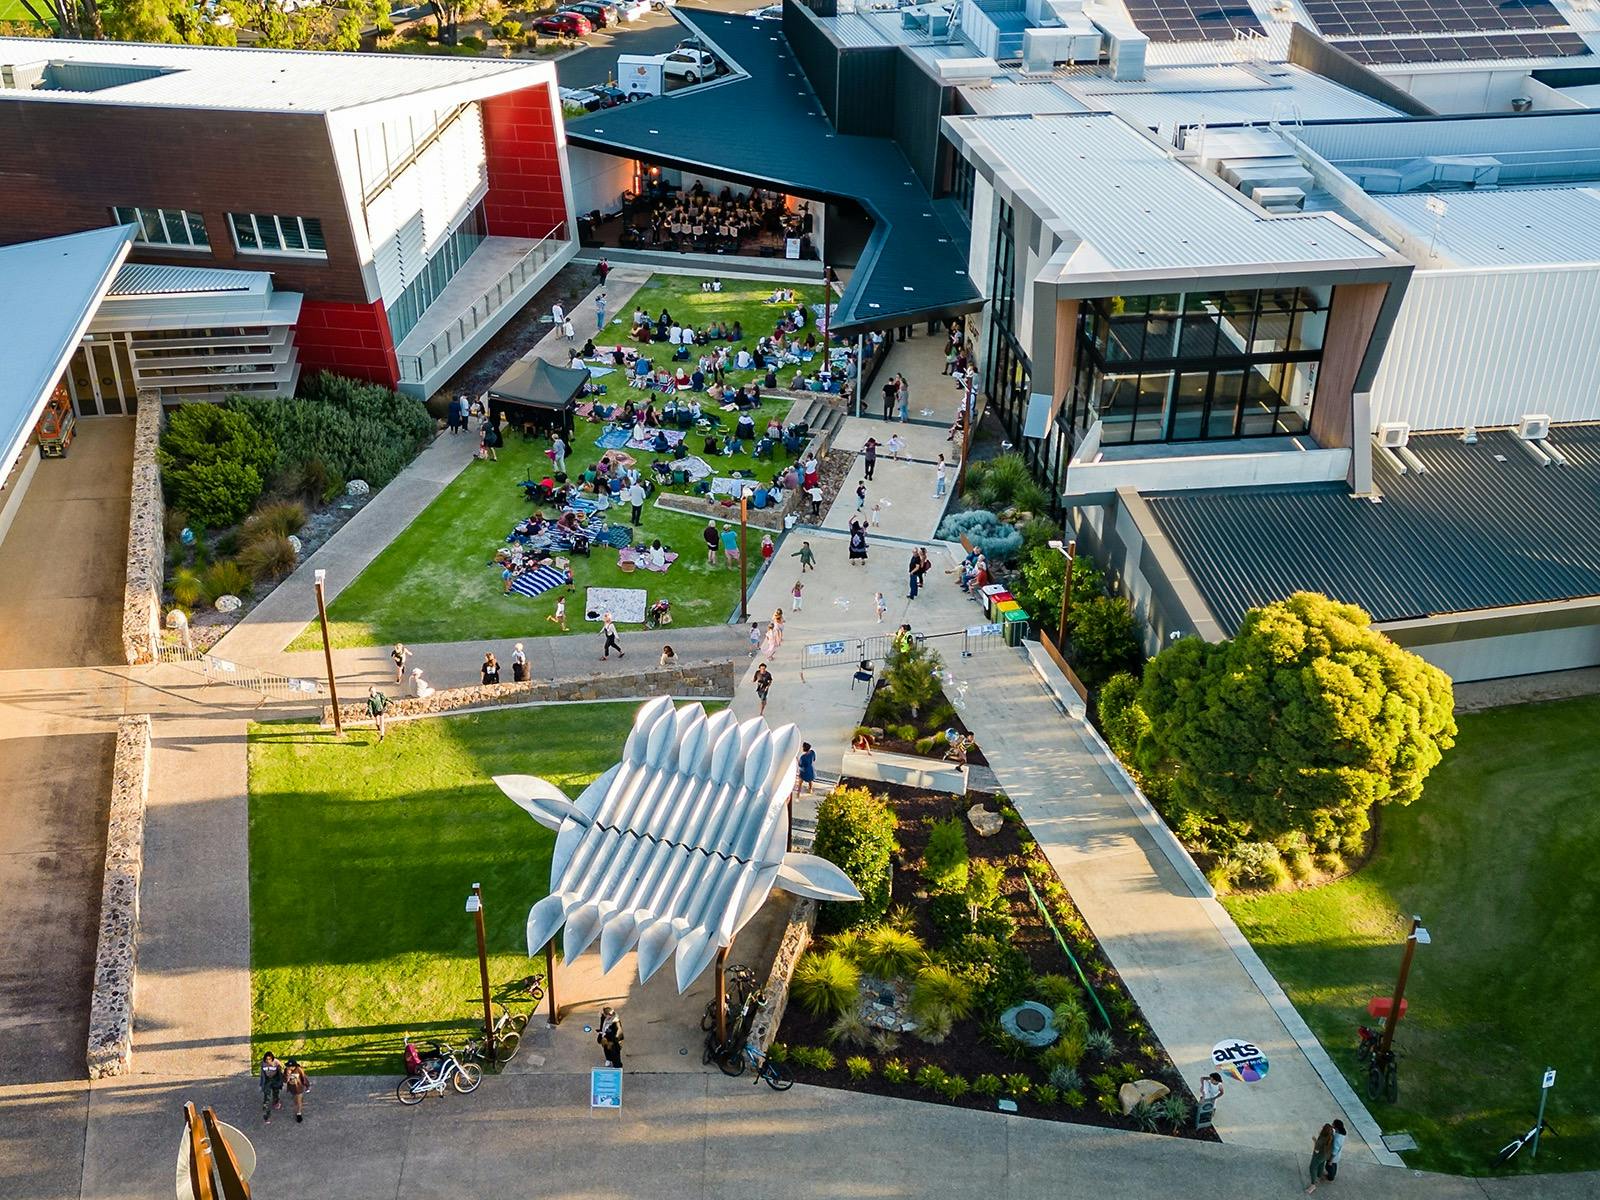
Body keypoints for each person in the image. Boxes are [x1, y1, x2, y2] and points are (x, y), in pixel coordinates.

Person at [1306, 1124, 1335, 1193]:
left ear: (1323, 1131)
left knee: (1312, 1167)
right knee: (1321, 1164)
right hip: (1326, 1155)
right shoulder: (1331, 1136)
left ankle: (1313, 1185)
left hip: (1318, 1156)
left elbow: (1316, 1150)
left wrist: (1315, 1140)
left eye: (1322, 1127)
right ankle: (1319, 1175)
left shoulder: (1321, 1139)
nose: (1321, 1127)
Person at [260, 1052, 285, 1122]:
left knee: (275, 1091)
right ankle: (266, 1104)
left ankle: (276, 1101)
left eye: (269, 1059)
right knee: (266, 1092)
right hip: (267, 1079)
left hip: (275, 1079)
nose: (268, 1061)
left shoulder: (276, 1062)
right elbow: (262, 1073)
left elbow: (281, 1070)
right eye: (267, 1059)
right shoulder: (263, 1064)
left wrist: (281, 1080)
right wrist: (262, 1082)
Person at [284, 1060, 311, 1124]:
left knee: (298, 1101)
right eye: (288, 1066)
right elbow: (285, 1081)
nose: (290, 1068)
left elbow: (304, 1078)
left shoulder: (299, 1070)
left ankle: (299, 1114)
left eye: (291, 1066)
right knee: (295, 1101)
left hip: (299, 1088)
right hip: (292, 1089)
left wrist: (307, 1085)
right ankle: (298, 1106)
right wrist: (288, 1075)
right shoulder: (286, 1070)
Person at [1322, 1120, 1346, 1184]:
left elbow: (1335, 1150)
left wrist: (1330, 1160)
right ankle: (1332, 1175)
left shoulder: (1337, 1139)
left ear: (1336, 1127)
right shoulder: (1342, 1133)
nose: (1332, 1124)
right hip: (1338, 1155)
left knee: (1328, 1166)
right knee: (1334, 1165)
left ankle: (1330, 1177)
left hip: (1333, 1155)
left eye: (1333, 1124)